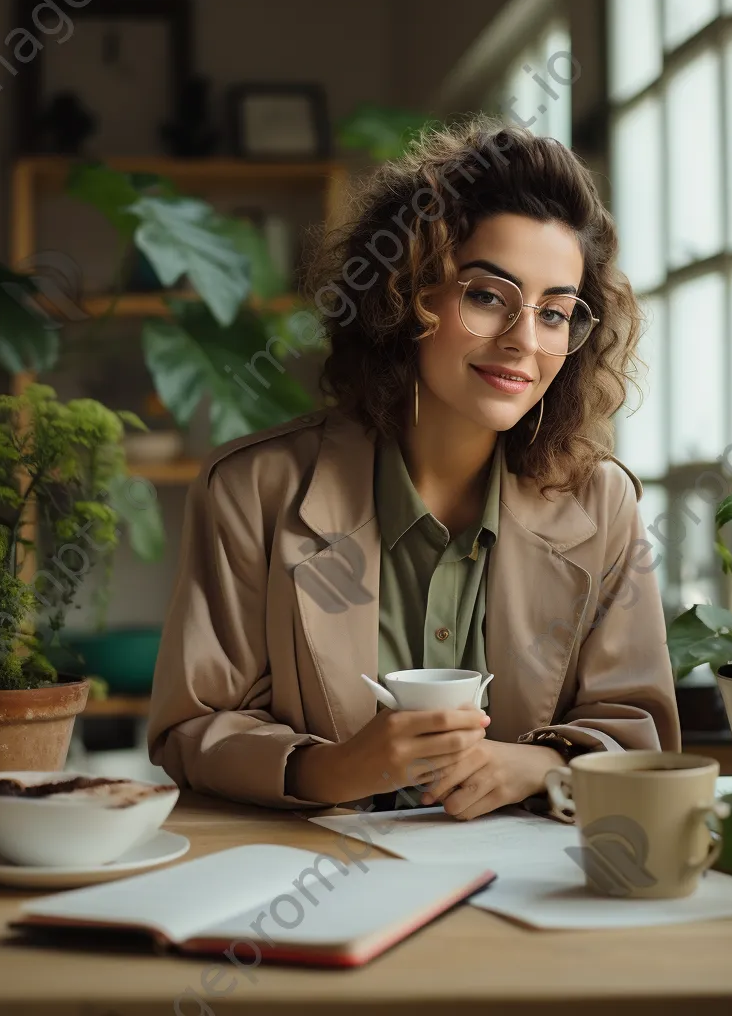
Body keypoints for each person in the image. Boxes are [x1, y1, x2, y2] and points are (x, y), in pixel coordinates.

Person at [147, 118, 681, 821]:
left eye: (555, 313)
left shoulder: (602, 503)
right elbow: (192, 729)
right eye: (488, 296)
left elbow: (638, 731)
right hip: (312, 892)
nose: (525, 341)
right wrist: (326, 768)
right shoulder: (255, 492)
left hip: (530, 900)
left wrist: (542, 764)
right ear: (408, 294)